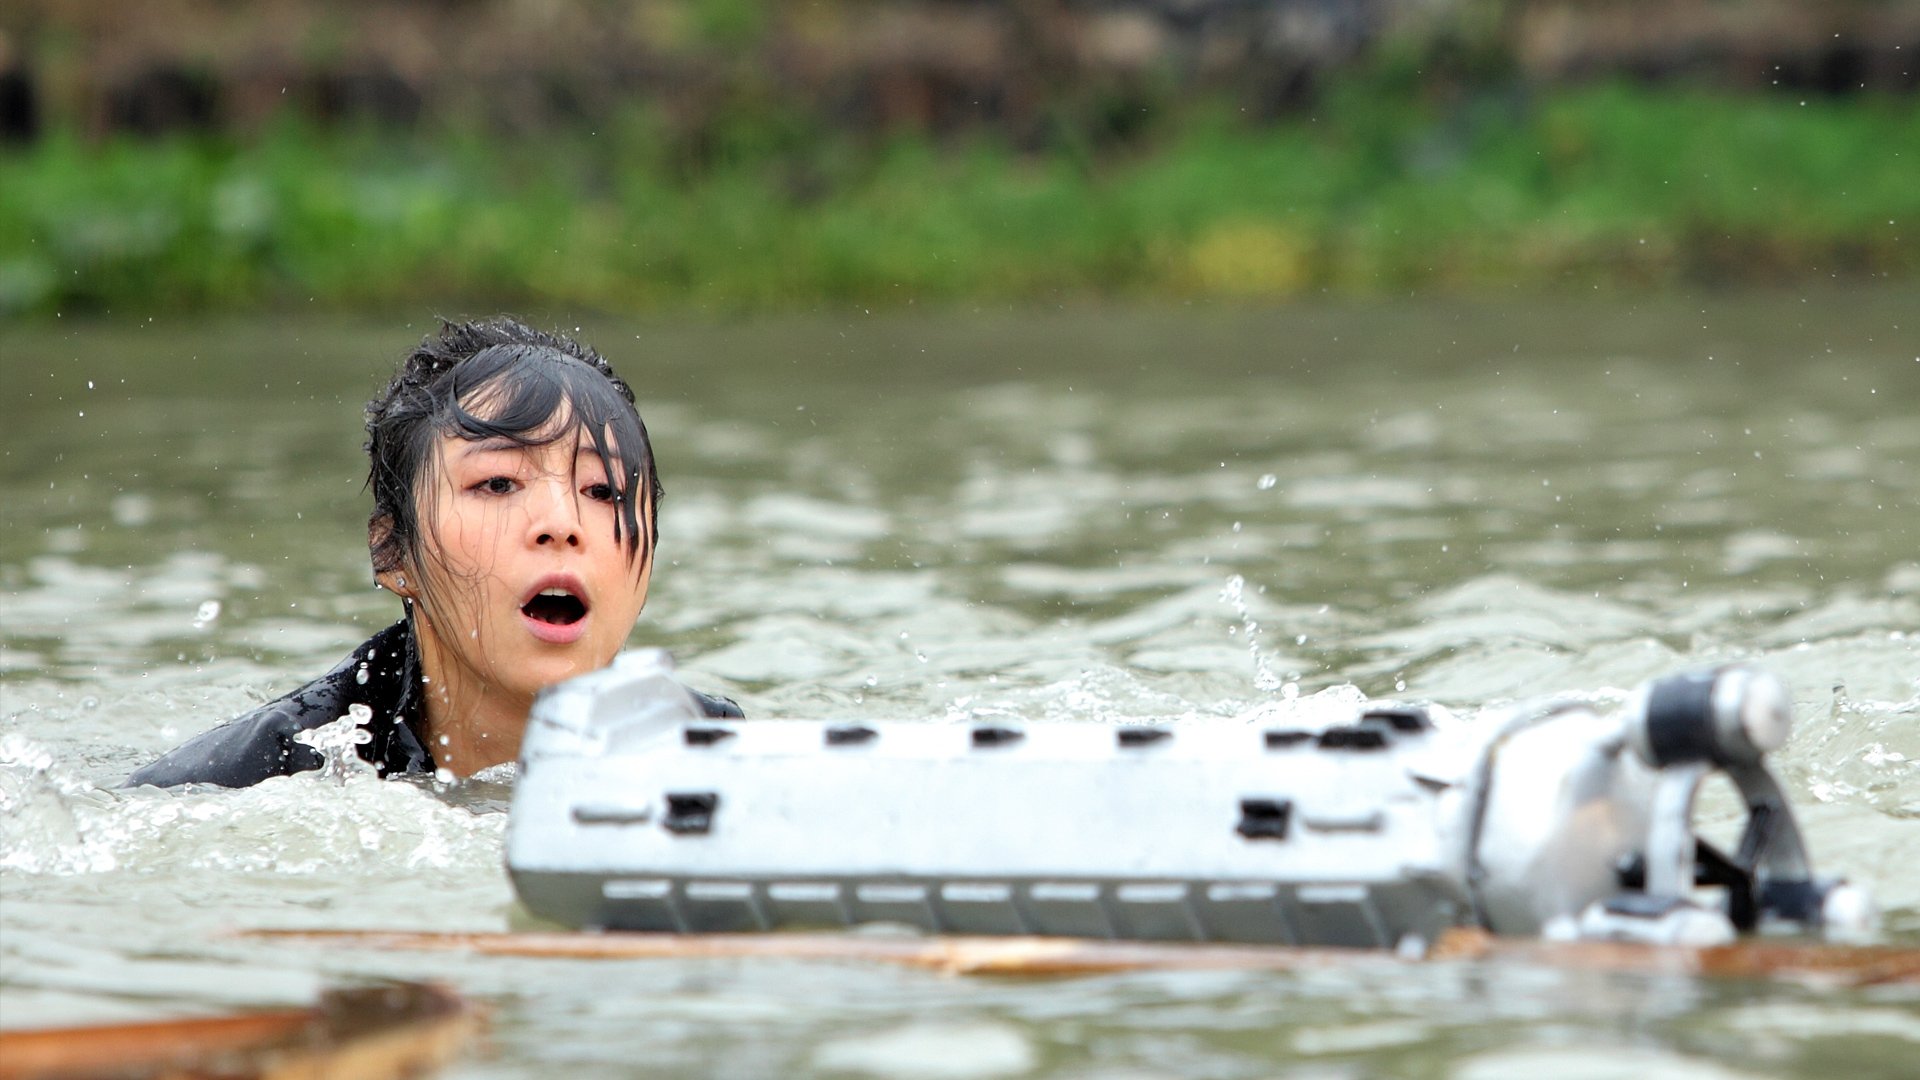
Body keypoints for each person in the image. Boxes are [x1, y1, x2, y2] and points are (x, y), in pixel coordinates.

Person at [125, 317, 739, 788]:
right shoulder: (252, 780)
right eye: (497, 483)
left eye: (603, 491)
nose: (562, 524)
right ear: (394, 554)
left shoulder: (718, 761)